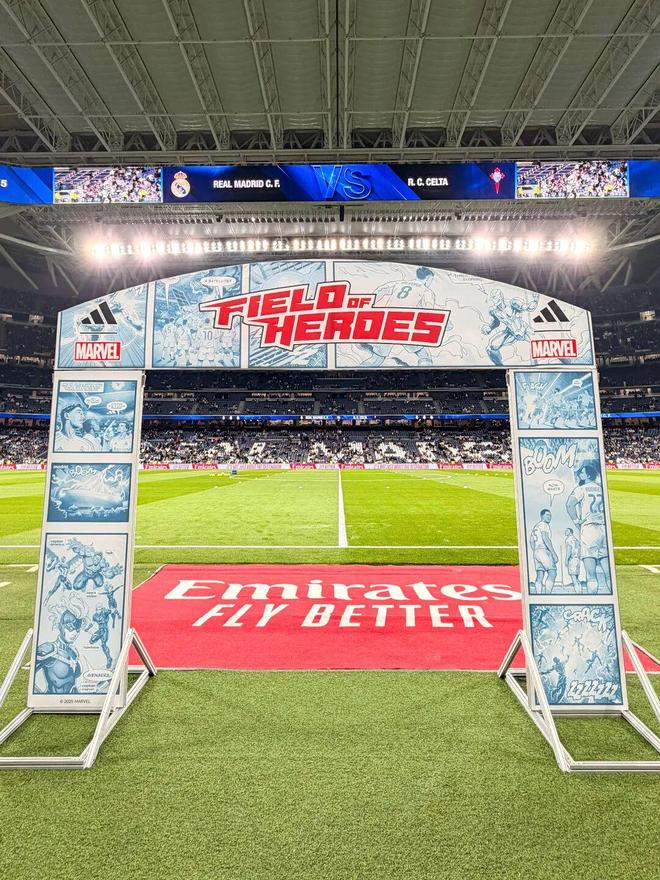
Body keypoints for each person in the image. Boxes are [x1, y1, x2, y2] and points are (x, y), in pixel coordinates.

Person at [566, 462, 609, 594]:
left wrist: (576, 521)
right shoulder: (601, 488)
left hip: (589, 529)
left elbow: (569, 505)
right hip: (604, 529)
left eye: (582, 472)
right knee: (608, 574)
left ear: (588, 475)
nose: (580, 474)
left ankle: (594, 602)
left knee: (591, 575)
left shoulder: (581, 489)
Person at [530, 508, 558, 593]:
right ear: (542, 516)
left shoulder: (536, 526)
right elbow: (545, 538)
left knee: (540, 575)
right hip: (543, 550)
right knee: (552, 573)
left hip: (536, 552)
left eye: (550, 515)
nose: (550, 517)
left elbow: (531, 541)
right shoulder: (544, 525)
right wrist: (553, 553)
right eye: (547, 515)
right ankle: (548, 594)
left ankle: (538, 594)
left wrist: (535, 551)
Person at [564, 527, 581, 592]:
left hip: (572, 559)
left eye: (567, 531)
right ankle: (580, 591)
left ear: (570, 532)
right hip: (577, 559)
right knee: (576, 577)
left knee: (573, 578)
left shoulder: (568, 539)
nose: (565, 532)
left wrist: (566, 560)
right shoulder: (576, 539)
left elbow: (569, 550)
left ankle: (578, 592)